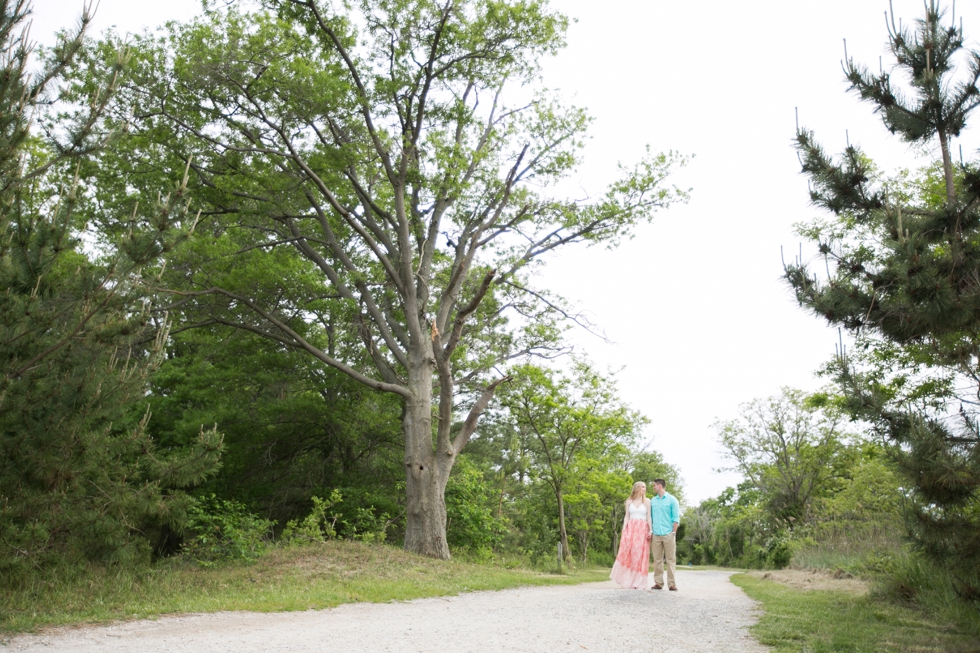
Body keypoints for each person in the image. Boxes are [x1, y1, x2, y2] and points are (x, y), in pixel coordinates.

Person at [609, 481, 652, 589]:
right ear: (637, 488)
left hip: (642, 529)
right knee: (629, 553)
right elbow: (626, 516)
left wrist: (650, 530)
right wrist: (624, 529)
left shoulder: (647, 501)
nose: (644, 489)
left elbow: (649, 517)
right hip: (631, 528)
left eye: (645, 487)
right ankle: (627, 579)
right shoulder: (629, 501)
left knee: (639, 555)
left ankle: (638, 582)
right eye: (642, 487)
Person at [649, 478, 680, 591]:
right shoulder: (653, 501)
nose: (653, 487)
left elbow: (676, 518)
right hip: (656, 534)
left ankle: (671, 584)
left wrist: (673, 532)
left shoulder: (672, 500)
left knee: (670, 559)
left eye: (654, 485)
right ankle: (658, 583)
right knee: (657, 559)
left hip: (668, 534)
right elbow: (650, 517)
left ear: (660, 486)